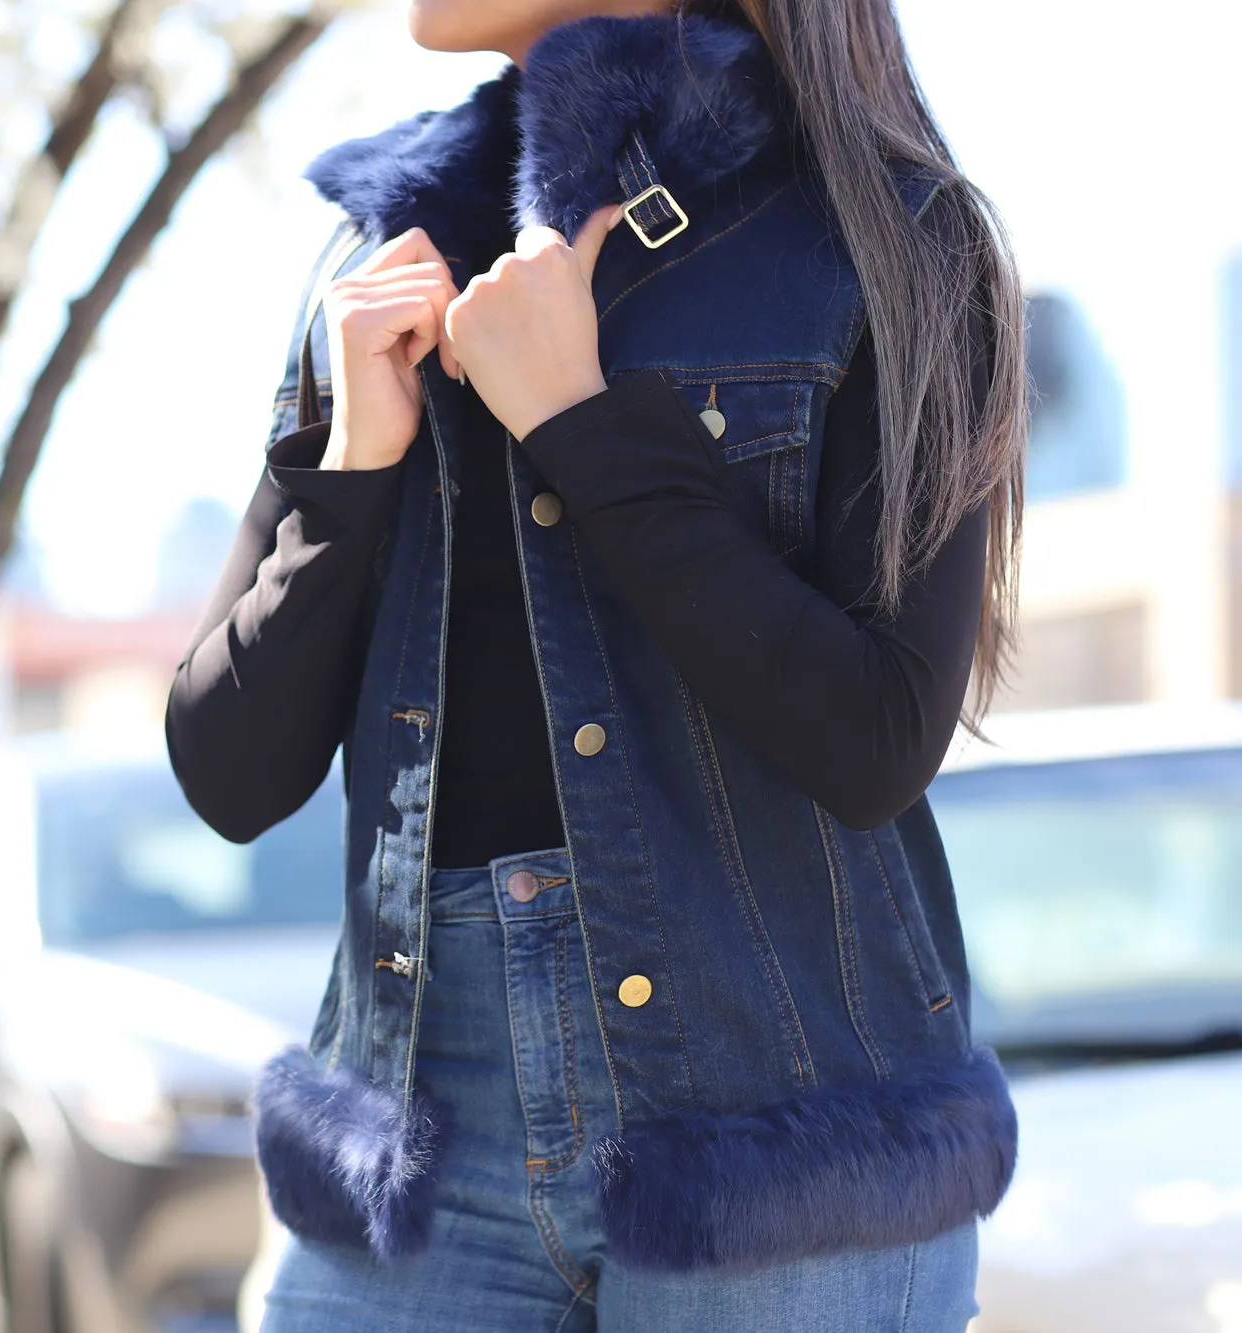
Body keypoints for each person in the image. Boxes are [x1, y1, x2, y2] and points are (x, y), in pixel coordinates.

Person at [165, 0, 1027, 1328]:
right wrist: (352, 467)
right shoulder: (376, 262)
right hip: (414, 1142)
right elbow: (228, 770)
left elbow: (878, 740)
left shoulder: (886, 239)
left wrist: (581, 420)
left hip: (779, 1150)